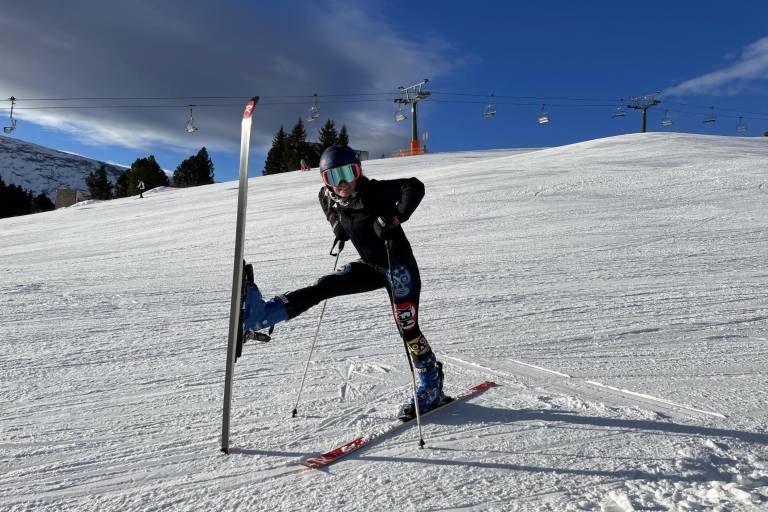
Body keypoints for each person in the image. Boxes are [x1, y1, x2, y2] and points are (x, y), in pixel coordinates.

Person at [243, 145, 444, 417]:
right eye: (334, 177)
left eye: (349, 173)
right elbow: (327, 204)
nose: (343, 183)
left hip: (399, 269)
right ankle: (262, 315)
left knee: (407, 327)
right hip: (370, 267)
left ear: (358, 172)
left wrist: (395, 217)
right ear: (325, 180)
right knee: (324, 286)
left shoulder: (374, 192)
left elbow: (413, 186)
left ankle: (431, 385)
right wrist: (336, 224)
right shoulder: (329, 197)